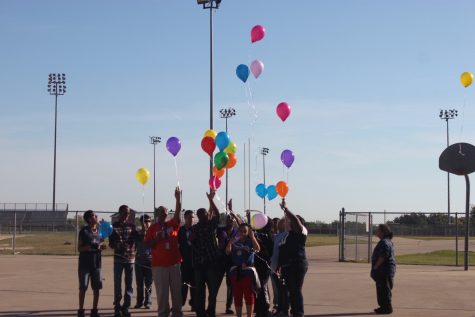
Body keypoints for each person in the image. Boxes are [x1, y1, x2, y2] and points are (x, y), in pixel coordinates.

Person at [144, 187, 183, 317]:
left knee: (177, 292)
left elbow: (177, 213)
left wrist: (178, 199)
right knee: (162, 293)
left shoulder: (172, 224)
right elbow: (147, 244)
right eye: (162, 212)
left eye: (166, 212)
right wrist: (157, 239)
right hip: (159, 265)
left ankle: (177, 313)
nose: (165, 214)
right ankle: (163, 314)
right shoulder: (152, 229)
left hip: (174, 264)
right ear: (157, 214)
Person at [189, 190, 222, 317]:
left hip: (212, 263)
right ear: (198, 216)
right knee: (199, 292)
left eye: (205, 214)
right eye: (201, 215)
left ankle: (211, 311)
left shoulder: (211, 225)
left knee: (212, 291)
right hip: (199, 265)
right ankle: (200, 313)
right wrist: (191, 238)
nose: (203, 216)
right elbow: (190, 241)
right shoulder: (194, 228)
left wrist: (211, 200)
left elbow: (217, 215)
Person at [278, 199, 308, 317]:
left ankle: (298, 313)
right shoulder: (288, 234)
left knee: (295, 290)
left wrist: (286, 209)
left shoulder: (301, 232)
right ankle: (291, 312)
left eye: (292, 221)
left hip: (296, 264)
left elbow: (295, 221)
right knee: (291, 290)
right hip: (287, 265)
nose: (289, 223)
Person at [109, 205, 139, 317]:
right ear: (120, 213)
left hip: (130, 260)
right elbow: (111, 243)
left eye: (128, 213)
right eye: (125, 213)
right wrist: (117, 245)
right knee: (117, 284)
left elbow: (138, 238)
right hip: (118, 259)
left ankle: (126, 307)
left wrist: (143, 231)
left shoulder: (132, 226)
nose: (127, 215)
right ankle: (117, 308)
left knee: (129, 284)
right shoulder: (113, 227)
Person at [226, 223, 260, 317]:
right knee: (237, 296)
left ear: (248, 232)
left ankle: (249, 315)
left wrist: (252, 237)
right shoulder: (234, 241)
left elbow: (257, 249)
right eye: (241, 231)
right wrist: (229, 243)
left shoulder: (250, 241)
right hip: (235, 271)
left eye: (245, 231)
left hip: (248, 271)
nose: (242, 233)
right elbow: (227, 252)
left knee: (248, 295)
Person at [77, 210, 106, 317]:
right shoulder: (84, 231)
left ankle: (94, 310)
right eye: (94, 215)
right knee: (83, 287)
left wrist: (102, 246)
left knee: (97, 288)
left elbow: (102, 241)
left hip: (96, 264)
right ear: (89, 219)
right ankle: (80, 310)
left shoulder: (100, 230)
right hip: (85, 264)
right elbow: (79, 248)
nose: (96, 216)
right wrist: (89, 247)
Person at [371, 224, 396, 315]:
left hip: (383, 270)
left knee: (384, 290)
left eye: (378, 230)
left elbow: (383, 255)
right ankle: (383, 307)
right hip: (386, 270)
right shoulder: (387, 241)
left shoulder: (384, 242)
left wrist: (376, 266)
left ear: (382, 232)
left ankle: (387, 308)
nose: (376, 231)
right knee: (382, 289)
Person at [254, 218, 273, 317]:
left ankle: (265, 309)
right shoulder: (260, 234)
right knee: (258, 287)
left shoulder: (268, 236)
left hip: (265, 265)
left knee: (263, 286)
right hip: (258, 264)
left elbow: (268, 251)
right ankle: (260, 308)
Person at [134, 214, 153, 309]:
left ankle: (148, 301)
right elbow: (136, 244)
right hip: (139, 262)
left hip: (150, 262)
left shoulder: (153, 233)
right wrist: (143, 234)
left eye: (149, 221)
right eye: (145, 221)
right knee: (139, 283)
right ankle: (139, 301)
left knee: (148, 283)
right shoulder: (137, 234)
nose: (147, 223)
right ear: (141, 222)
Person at [270, 219, 289, 317]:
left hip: (280, 267)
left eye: (280, 223)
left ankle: (284, 310)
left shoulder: (286, 234)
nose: (277, 225)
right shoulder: (277, 236)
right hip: (273, 268)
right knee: (278, 291)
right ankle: (279, 308)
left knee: (283, 291)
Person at [178, 209, 195, 311]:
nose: (192, 219)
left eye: (193, 217)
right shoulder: (180, 230)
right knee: (183, 285)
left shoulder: (196, 229)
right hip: (184, 262)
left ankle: (194, 304)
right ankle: (180, 304)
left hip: (194, 262)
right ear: (185, 218)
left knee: (194, 285)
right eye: (189, 217)